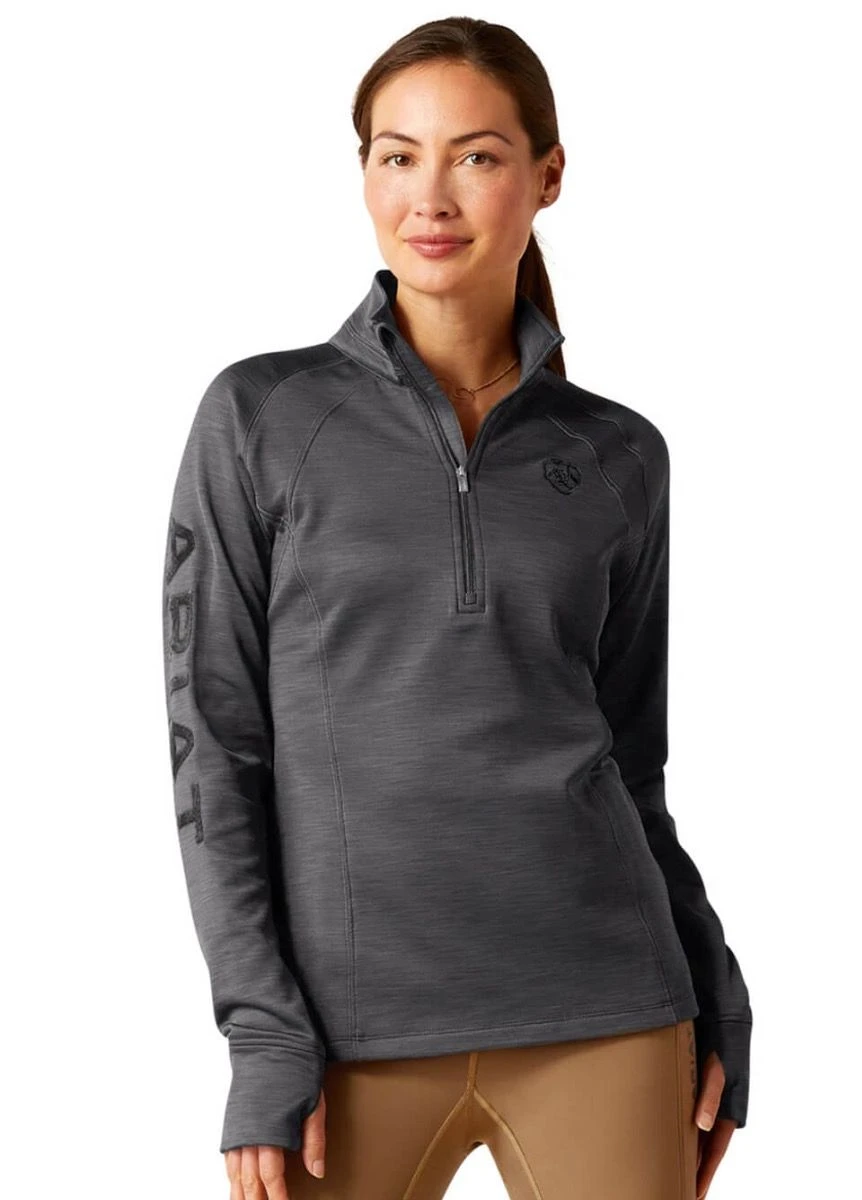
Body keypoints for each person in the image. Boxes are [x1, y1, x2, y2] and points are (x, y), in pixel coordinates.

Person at [161, 16, 752, 1200]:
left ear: (547, 174)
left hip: (610, 1009)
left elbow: (631, 763)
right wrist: (264, 1032)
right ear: (364, 174)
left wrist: (714, 985)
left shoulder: (620, 455)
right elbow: (214, 751)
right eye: (397, 155)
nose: (429, 196)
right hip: (345, 1034)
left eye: (476, 156)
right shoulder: (262, 417)